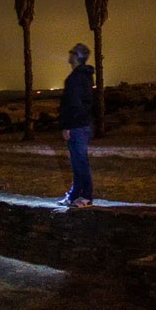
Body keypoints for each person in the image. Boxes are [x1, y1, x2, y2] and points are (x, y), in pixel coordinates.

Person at [58, 43, 94, 209]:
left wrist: (68, 126)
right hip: (80, 124)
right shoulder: (81, 76)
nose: (69, 54)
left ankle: (85, 196)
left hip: (77, 126)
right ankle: (75, 195)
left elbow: (74, 104)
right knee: (77, 162)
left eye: (71, 52)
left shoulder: (77, 78)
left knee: (80, 162)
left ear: (77, 57)